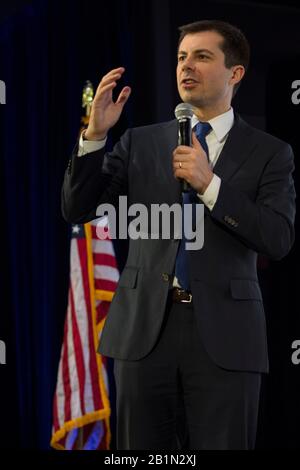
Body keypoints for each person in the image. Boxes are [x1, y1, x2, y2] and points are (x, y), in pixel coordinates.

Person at [62, 20, 296, 450]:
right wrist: (95, 136)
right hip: (143, 332)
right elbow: (78, 208)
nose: (186, 67)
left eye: (202, 57)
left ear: (236, 73)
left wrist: (210, 185)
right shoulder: (139, 143)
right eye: (181, 57)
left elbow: (278, 238)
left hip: (228, 336)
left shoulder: (271, 153)